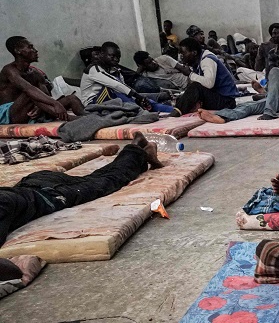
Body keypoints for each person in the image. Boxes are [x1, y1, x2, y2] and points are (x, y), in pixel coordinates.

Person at [0, 134, 162, 245]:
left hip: (49, 193)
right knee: (95, 178)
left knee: (108, 181)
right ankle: (139, 151)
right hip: (34, 181)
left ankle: (136, 149)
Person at [197, 62, 279, 123]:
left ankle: (270, 112)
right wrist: (262, 92)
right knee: (249, 106)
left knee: (275, 70)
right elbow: (258, 98)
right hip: (276, 101)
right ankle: (222, 116)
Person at [1, 36, 84, 124]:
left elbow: (46, 96)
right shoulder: (9, 70)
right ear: (18, 51)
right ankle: (72, 119)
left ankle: (87, 115)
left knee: (72, 99)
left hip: (31, 112)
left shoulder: (36, 73)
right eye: (30, 47)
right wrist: (55, 104)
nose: (35, 50)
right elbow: (28, 89)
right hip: (10, 115)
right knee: (30, 93)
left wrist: (40, 107)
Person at [79, 42, 176, 114]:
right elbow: (116, 84)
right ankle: (139, 111)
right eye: (112, 56)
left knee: (145, 100)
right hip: (93, 103)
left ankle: (173, 110)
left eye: (118, 57)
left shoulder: (114, 70)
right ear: (102, 55)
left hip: (110, 99)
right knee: (114, 90)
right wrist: (137, 97)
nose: (116, 59)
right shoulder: (93, 69)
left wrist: (140, 99)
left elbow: (124, 86)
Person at [174, 37, 240, 114]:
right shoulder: (198, 61)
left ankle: (176, 113)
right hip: (220, 97)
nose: (181, 56)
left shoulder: (207, 60)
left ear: (194, 53)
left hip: (227, 102)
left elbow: (209, 83)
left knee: (195, 87)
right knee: (183, 98)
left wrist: (190, 74)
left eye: (183, 53)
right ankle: (180, 109)